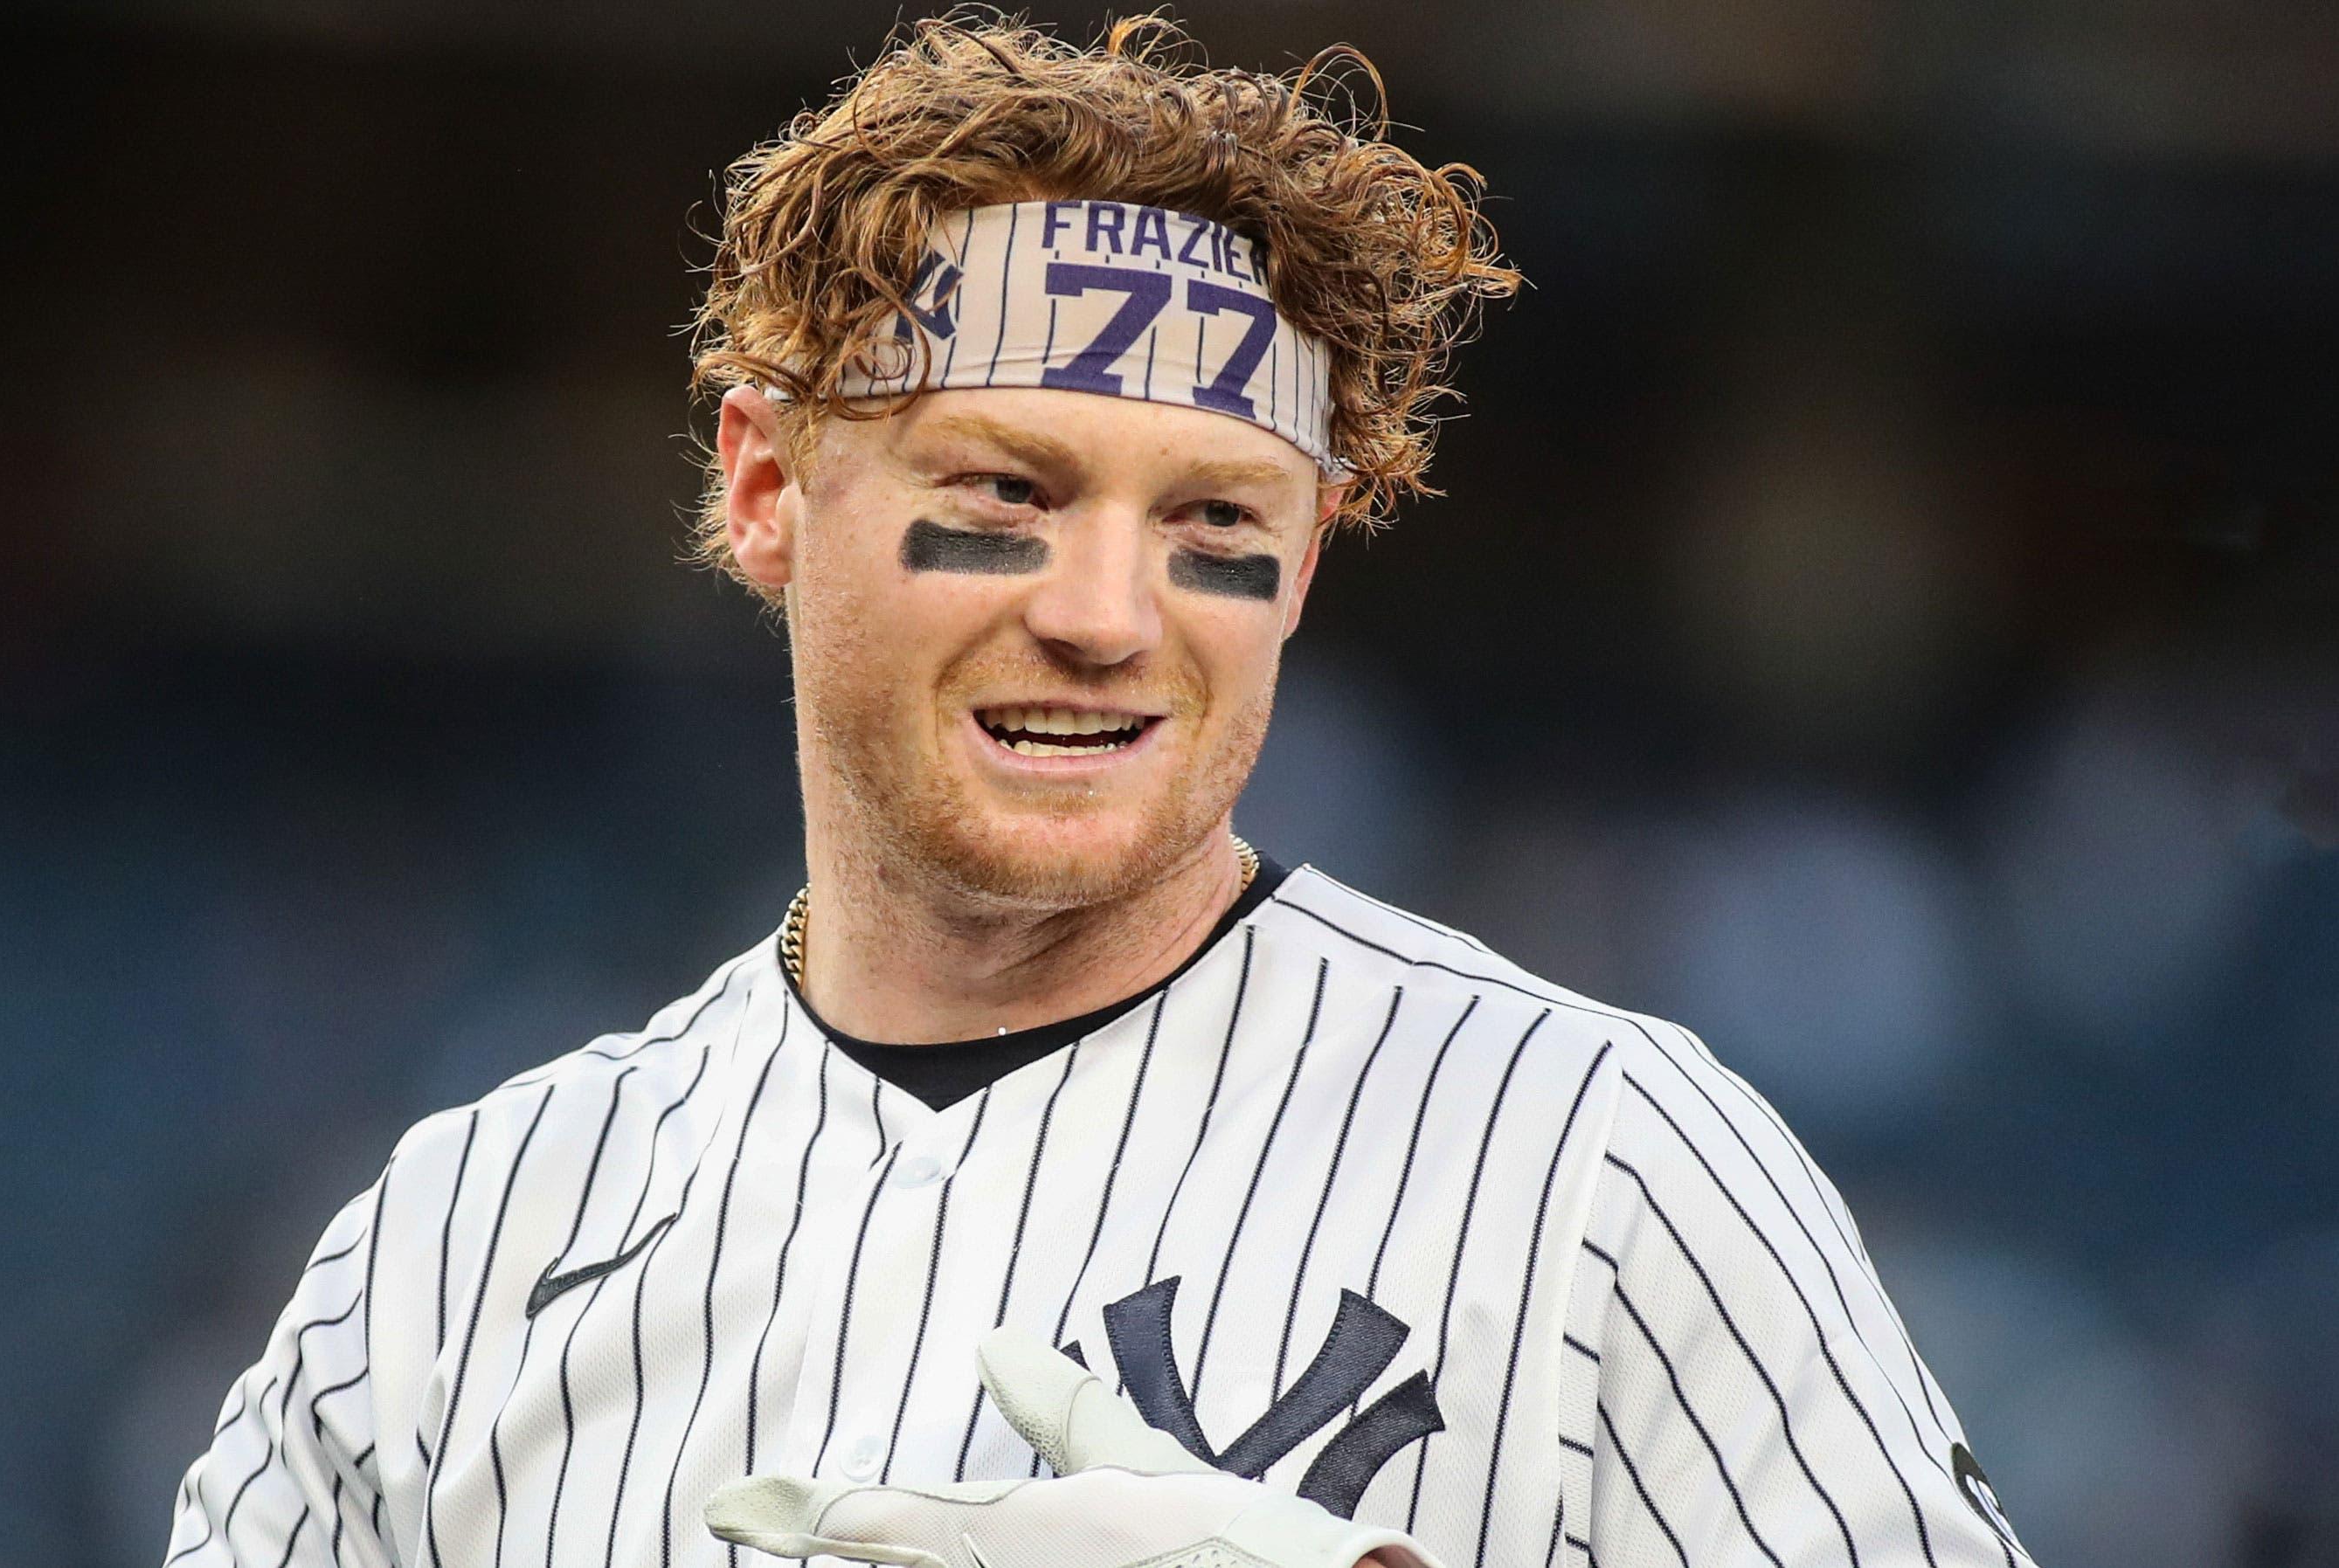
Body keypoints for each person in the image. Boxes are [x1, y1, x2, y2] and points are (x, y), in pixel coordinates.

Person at [164, 17, 2034, 1568]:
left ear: (1304, 568)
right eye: (1006, 493)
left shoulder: (1599, 1158)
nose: (1101, 617)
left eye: (1216, 519)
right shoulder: (456, 1244)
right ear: (764, 486)